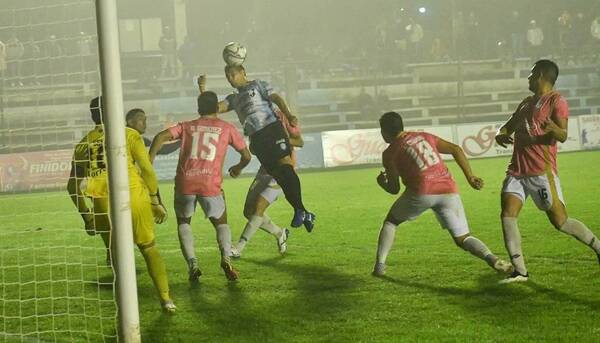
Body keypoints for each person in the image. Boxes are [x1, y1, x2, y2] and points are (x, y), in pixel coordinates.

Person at [494, 60, 600, 283]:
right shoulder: (526, 103)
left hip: (541, 172)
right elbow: (508, 125)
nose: (528, 78)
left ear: (541, 75)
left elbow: (562, 135)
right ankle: (520, 271)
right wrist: (500, 133)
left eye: (531, 74)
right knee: (507, 215)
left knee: (560, 221)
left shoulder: (557, 101)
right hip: (516, 172)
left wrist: (554, 129)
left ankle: (598, 247)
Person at [67, 97, 176, 312]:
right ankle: (166, 299)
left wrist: (87, 217)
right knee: (149, 248)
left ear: (92, 116)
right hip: (132, 196)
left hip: (101, 202)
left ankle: (125, 308)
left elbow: (72, 187)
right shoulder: (129, 134)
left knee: (117, 255)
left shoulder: (82, 144)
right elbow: (147, 170)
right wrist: (154, 200)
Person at [372, 111, 513, 277]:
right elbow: (456, 149)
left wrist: (383, 184)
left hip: (421, 191)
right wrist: (470, 176)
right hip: (448, 189)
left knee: (391, 221)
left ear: (384, 132)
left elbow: (394, 188)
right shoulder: (424, 136)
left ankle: (380, 266)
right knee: (463, 238)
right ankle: (493, 259)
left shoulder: (389, 153)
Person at [149, 91, 251, 283]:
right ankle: (226, 259)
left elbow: (161, 136)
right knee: (221, 223)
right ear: (217, 108)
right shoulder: (227, 128)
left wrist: (149, 160)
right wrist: (238, 168)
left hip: (185, 183)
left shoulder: (187, 127)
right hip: (210, 185)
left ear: (198, 109)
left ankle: (193, 264)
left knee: (184, 223)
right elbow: (247, 156)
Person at [198, 66, 316, 231]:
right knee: (279, 176)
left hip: (271, 128)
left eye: (233, 74)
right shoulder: (233, 99)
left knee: (286, 167)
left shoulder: (258, 85)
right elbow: (211, 109)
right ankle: (304, 212)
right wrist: (202, 88)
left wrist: (288, 115)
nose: (231, 78)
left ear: (243, 73)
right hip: (256, 138)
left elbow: (276, 98)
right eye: (227, 76)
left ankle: (299, 210)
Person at [231, 109, 303, 258]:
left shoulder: (281, 116)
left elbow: (299, 141)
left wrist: (278, 140)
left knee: (258, 208)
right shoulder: (254, 122)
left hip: (281, 171)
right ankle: (279, 233)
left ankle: (238, 248)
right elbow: (253, 149)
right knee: (248, 212)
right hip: (265, 170)